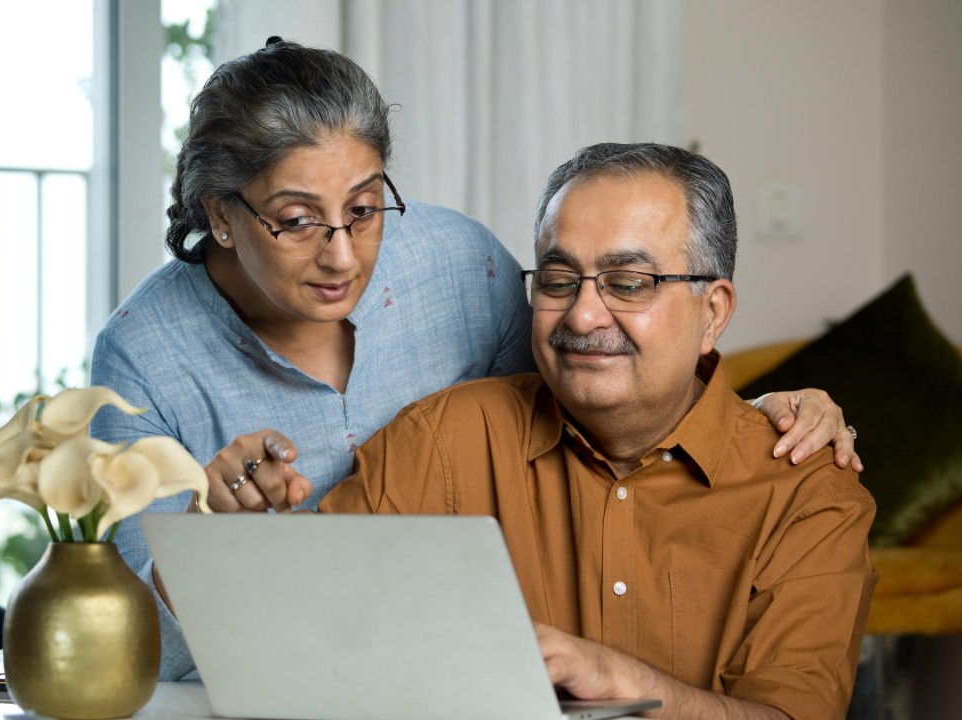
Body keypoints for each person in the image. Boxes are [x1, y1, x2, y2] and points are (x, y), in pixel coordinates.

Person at [90, 39, 859, 682]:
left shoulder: (462, 266)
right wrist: (205, 547)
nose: (341, 254)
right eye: (296, 220)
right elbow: (142, 648)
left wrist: (742, 418)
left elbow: (601, 373)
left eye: (363, 210)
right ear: (222, 216)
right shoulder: (145, 357)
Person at [318, 142, 877, 719]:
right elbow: (308, 627)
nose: (582, 316)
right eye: (558, 281)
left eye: (628, 283)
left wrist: (621, 682)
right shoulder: (443, 440)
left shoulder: (806, 492)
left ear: (712, 313)